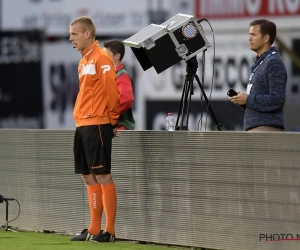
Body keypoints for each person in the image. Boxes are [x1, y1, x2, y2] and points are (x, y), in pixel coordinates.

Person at [69, 16, 120, 243]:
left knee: (102, 174)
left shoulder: (102, 57)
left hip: (97, 123)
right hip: (82, 124)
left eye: (74, 34)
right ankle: (93, 229)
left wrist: (112, 120)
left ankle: (109, 231)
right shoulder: (83, 60)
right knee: (88, 177)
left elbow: (112, 91)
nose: (71, 38)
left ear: (87, 34)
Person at [229, 19, 287, 131]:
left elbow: (278, 99)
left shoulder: (273, 62)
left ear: (266, 38)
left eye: (253, 35)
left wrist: (248, 100)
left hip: (266, 128)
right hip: (257, 128)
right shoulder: (261, 62)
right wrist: (243, 100)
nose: (249, 38)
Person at [103, 40, 135, 130]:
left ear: (117, 56)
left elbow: (126, 99)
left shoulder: (122, 76)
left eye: (107, 54)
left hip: (119, 129)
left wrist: (106, 115)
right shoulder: (109, 74)